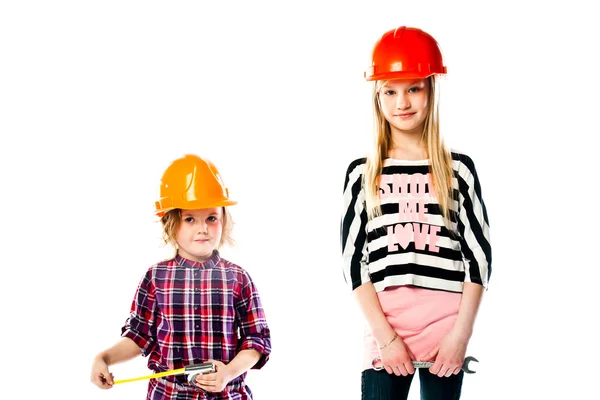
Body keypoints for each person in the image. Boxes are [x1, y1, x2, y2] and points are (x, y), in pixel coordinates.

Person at [340, 26, 492, 400]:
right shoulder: (362, 173)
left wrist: (460, 337)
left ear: (431, 89)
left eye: (413, 89)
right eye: (389, 91)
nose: (402, 102)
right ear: (377, 98)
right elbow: (353, 264)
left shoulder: (459, 171)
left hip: (446, 335)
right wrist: (386, 339)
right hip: (385, 333)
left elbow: (479, 260)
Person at [91, 154, 272, 400]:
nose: (203, 228)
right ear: (170, 222)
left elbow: (256, 341)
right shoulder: (156, 277)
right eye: (190, 219)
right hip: (168, 395)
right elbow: (140, 335)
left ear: (223, 219)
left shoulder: (238, 278)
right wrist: (104, 358)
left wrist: (229, 372)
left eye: (211, 218)